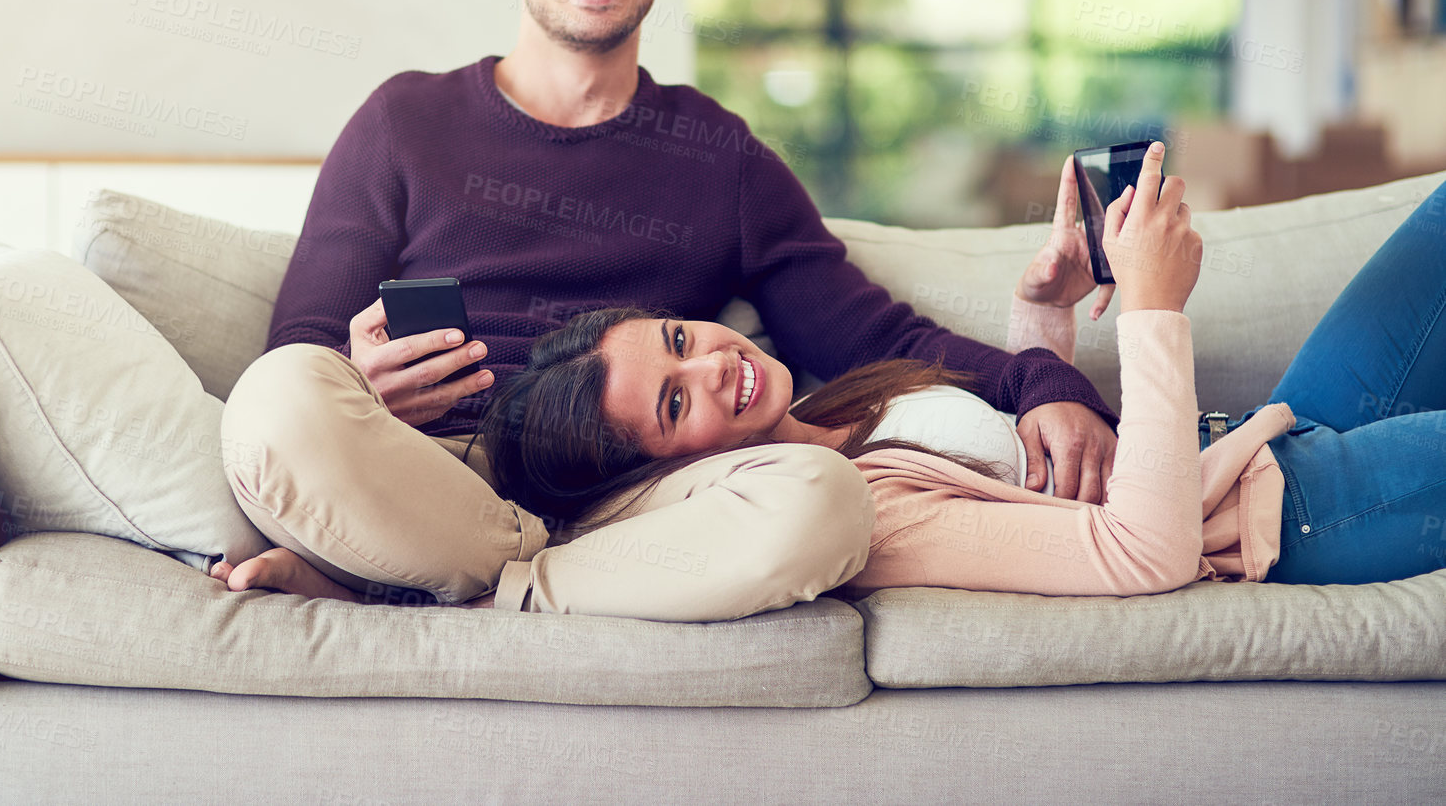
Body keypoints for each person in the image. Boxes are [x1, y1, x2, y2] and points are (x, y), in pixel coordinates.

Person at [214, 0, 1119, 603]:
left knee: (822, 498)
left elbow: (872, 340)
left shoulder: (716, 153)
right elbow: (297, 349)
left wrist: (1043, 378)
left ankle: (450, 579)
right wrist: (361, 384)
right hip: (431, 464)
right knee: (277, 397)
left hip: (635, 501)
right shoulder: (404, 120)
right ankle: (495, 566)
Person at [464, 142, 1446, 618]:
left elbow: (1040, 475)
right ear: (660, 480)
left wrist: (1044, 322)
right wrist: (1152, 305)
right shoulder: (863, 510)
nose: (715, 365)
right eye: (675, 402)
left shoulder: (821, 414)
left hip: (1269, 436)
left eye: (681, 339)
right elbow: (1138, 553)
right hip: (1291, 517)